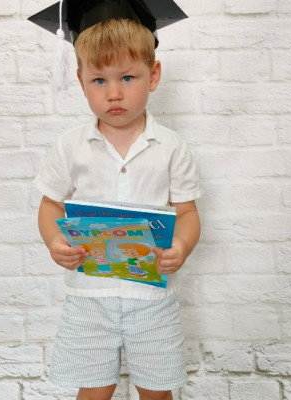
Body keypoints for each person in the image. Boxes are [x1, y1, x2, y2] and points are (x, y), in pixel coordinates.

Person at [30, 1, 201, 399]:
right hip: (88, 298)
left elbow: (188, 212)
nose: (114, 93)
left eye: (127, 77)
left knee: (157, 391)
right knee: (93, 391)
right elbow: (51, 205)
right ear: (80, 81)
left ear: (153, 75)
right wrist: (54, 242)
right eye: (99, 80)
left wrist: (181, 246)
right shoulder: (70, 145)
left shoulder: (171, 146)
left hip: (152, 300)